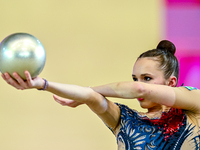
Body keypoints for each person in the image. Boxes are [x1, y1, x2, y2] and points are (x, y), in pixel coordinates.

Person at [1, 40, 200, 150]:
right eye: (135, 78)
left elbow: (138, 90)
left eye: (147, 78)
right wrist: (42, 84)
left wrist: (88, 92)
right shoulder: (126, 121)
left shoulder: (193, 103)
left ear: (171, 83)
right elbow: (91, 97)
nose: (138, 84)